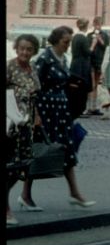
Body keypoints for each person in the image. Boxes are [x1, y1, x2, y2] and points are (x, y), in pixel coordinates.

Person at [30, 26, 95, 208]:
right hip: (47, 112)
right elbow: (34, 87)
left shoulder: (63, 59)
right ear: (56, 40)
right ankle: (25, 195)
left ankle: (74, 192)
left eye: (69, 42)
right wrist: (36, 114)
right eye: (65, 42)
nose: (68, 46)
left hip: (61, 111)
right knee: (41, 151)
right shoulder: (45, 59)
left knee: (66, 151)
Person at [6, 34, 41, 225]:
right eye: (22, 48)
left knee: (23, 166)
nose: (25, 52)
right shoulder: (9, 66)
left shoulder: (33, 67)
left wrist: (37, 117)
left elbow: (35, 94)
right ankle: (6, 209)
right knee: (10, 167)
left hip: (27, 125)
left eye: (29, 49)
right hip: (12, 124)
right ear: (16, 48)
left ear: (34, 50)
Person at [69, 19, 93, 121]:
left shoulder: (74, 37)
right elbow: (88, 52)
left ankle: (75, 107)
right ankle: (82, 108)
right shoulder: (83, 38)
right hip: (82, 65)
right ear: (86, 26)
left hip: (74, 63)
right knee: (83, 87)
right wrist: (94, 44)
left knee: (75, 86)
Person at [86, 17, 109, 116]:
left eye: (99, 25)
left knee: (98, 85)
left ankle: (95, 107)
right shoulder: (89, 35)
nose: (97, 26)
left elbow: (107, 47)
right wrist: (93, 42)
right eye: (96, 24)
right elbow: (87, 48)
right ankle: (90, 107)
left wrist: (100, 40)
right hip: (91, 62)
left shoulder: (105, 35)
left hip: (100, 62)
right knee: (91, 85)